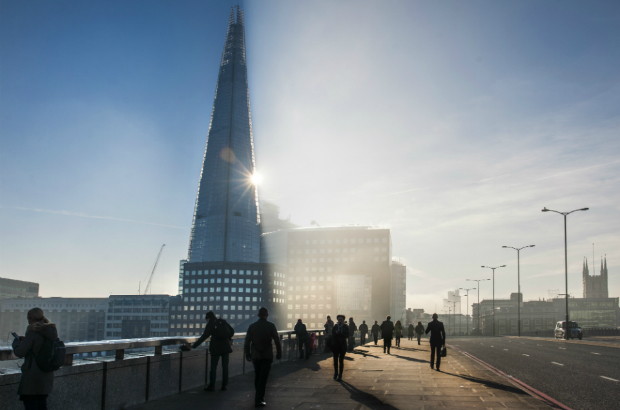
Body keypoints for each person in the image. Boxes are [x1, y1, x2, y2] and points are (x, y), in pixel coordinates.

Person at [12, 307, 59, 410]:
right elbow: (40, 344)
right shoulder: (51, 331)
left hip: (32, 377)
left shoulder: (32, 332)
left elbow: (20, 352)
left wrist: (16, 343)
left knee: (31, 405)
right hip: (47, 375)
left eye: (28, 319)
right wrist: (26, 340)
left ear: (31, 318)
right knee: (42, 404)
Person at [185, 311, 233, 391]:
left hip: (216, 348)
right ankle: (224, 385)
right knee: (225, 367)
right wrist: (227, 339)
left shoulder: (211, 324)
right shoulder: (222, 322)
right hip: (226, 347)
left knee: (213, 367)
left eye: (206, 320)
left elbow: (204, 336)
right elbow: (231, 331)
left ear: (208, 318)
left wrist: (194, 346)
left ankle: (212, 386)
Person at [245, 307, 282, 407]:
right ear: (267, 315)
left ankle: (259, 397)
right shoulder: (271, 326)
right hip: (267, 355)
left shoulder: (252, 326)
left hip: (256, 355)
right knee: (263, 377)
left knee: (257, 375)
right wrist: (279, 352)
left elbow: (247, 341)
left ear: (258, 315)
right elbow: (276, 340)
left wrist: (247, 354)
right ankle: (259, 398)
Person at [331, 315, 349, 381]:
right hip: (335, 346)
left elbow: (347, 335)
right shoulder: (335, 327)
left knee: (341, 360)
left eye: (341, 320)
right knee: (335, 360)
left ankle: (340, 374)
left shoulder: (345, 327)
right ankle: (336, 372)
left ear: (343, 320)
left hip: (343, 346)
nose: (340, 321)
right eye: (339, 320)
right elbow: (332, 335)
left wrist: (339, 333)